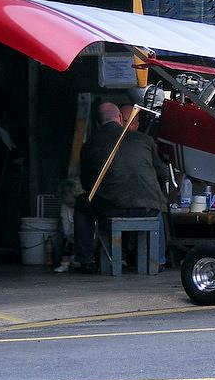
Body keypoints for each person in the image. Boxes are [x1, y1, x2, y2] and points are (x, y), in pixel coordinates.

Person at [72, 102, 169, 272]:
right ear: (119, 119)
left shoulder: (91, 143)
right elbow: (163, 174)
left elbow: (87, 184)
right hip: (147, 207)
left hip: (111, 208)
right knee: (156, 207)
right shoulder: (144, 140)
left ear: (97, 123)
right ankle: (159, 260)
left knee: (82, 205)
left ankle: (86, 259)